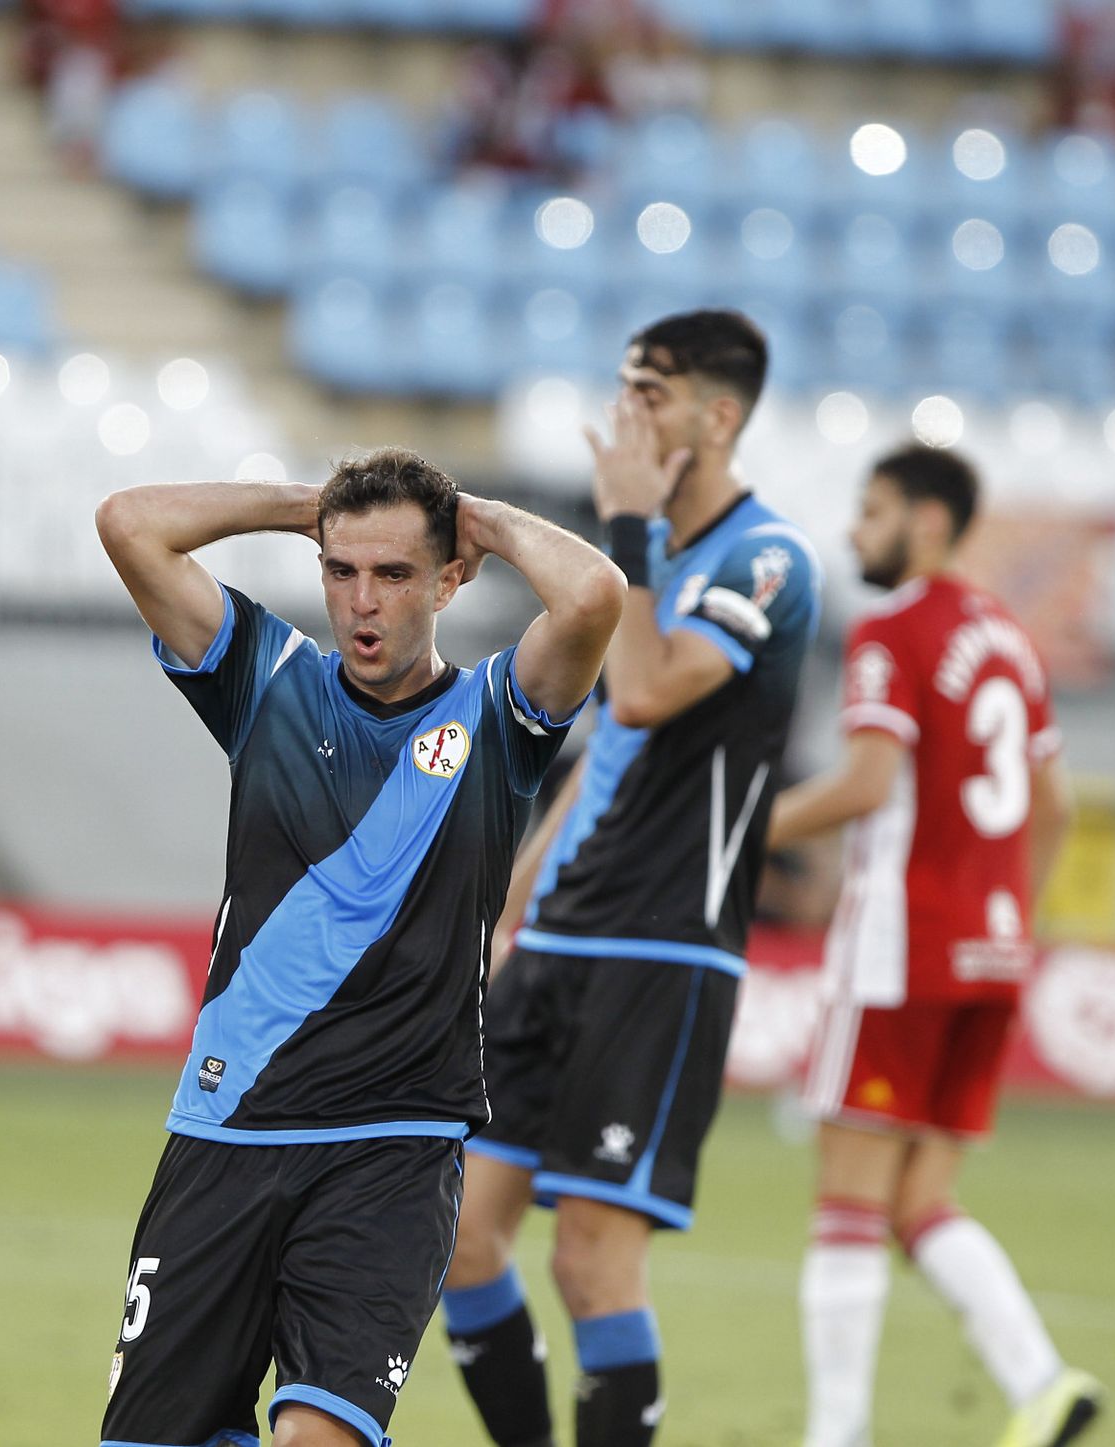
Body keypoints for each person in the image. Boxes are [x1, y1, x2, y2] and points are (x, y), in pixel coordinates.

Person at [93, 449, 626, 1447]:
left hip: (394, 1146)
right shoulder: (265, 678)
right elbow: (129, 522)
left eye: (393, 572)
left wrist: (480, 519)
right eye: (342, 571)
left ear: (450, 579)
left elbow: (595, 593)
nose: (362, 601)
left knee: (319, 1436)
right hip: (229, 1126)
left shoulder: (499, 715)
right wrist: (308, 507)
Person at [441, 309, 822, 1447]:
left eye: (652, 394)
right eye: (623, 389)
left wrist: (626, 531)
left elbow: (649, 690)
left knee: (591, 1261)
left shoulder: (765, 560)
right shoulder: (652, 566)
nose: (627, 415)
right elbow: (610, 742)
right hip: (562, 935)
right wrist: (512, 899)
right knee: (460, 1239)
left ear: (720, 415)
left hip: (663, 948)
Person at [767, 444, 1103, 1447]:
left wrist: (746, 829)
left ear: (925, 520)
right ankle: (1042, 1382)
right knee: (921, 1198)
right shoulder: (1009, 637)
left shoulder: (892, 629)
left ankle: (836, 1432)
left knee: (848, 1193)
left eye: (871, 511)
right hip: (992, 953)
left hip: (898, 946)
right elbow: (1055, 804)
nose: (854, 530)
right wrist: (1006, 918)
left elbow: (868, 783)